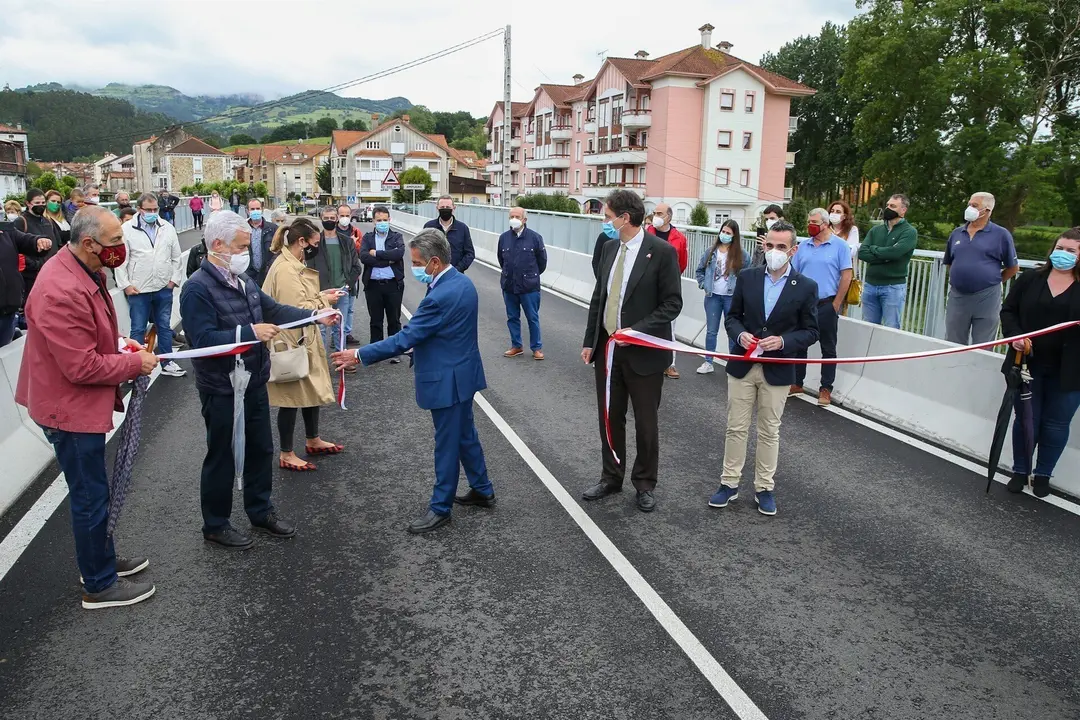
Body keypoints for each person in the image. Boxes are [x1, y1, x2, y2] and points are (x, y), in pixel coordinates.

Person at [15, 205, 158, 608]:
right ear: (90, 243)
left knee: (95, 492)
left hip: (71, 401)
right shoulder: (61, 288)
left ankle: (101, 560)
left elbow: (85, 341)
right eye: (115, 242)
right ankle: (98, 583)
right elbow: (80, 365)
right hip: (68, 409)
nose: (121, 248)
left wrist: (118, 347)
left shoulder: (81, 267)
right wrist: (134, 362)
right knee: (91, 496)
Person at [180, 210, 337, 549]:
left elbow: (275, 310)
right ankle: (216, 524)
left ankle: (260, 510)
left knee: (260, 448)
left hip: (253, 380)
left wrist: (314, 315)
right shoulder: (197, 289)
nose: (244, 253)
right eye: (239, 247)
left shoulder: (245, 281)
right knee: (222, 454)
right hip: (221, 387)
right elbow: (201, 340)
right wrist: (248, 332)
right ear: (217, 245)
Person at [331, 228, 495, 534]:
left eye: (418, 263)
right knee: (464, 435)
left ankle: (440, 508)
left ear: (434, 262)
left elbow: (407, 337)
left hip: (447, 380)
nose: (415, 268)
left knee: (447, 444)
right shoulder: (461, 282)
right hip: (464, 373)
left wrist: (359, 355)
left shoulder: (441, 295)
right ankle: (482, 489)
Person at [581, 190, 683, 513]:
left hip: (644, 354)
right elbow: (600, 296)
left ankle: (644, 483)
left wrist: (636, 331)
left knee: (645, 422)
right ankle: (611, 476)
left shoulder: (662, 252)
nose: (604, 222)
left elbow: (672, 304)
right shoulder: (609, 247)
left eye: (608, 216)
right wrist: (590, 340)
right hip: (609, 350)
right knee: (610, 418)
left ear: (625, 218)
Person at [709, 221, 819, 516]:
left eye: (781, 247)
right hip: (743, 364)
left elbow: (811, 331)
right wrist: (739, 334)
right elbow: (732, 317)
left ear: (793, 250)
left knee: (770, 430)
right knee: (736, 427)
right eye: (769, 246)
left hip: (778, 369)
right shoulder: (747, 277)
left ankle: (764, 488)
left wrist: (783, 341)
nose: (774, 252)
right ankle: (729, 484)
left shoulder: (807, 287)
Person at [999, 228, 1080, 499]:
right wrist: (1014, 338)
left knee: (1056, 424)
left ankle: (1044, 473)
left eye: (1071, 251)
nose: (1063, 254)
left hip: (1070, 371)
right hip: (1027, 365)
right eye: (1060, 248)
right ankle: (1020, 471)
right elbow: (1008, 310)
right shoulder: (1030, 279)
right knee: (1025, 419)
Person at [262, 218, 346, 471]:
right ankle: (287, 453)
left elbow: (304, 300)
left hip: (302, 337)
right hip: (290, 341)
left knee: (310, 392)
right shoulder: (286, 270)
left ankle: (313, 438)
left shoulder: (294, 262)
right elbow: (294, 310)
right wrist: (324, 310)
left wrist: (323, 297)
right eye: (315, 243)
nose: (316, 247)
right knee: (290, 397)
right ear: (302, 242)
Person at [116, 193, 186, 378]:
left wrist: (173, 280)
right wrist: (126, 285)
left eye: (156, 209)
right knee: (137, 328)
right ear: (139, 209)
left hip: (163, 287)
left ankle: (167, 362)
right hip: (139, 289)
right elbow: (122, 260)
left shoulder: (167, 228)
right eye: (149, 210)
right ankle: (137, 366)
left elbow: (175, 257)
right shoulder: (127, 229)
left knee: (164, 326)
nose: (153, 213)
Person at [789, 208, 853, 406]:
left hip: (827, 304)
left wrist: (836, 304)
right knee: (800, 345)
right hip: (804, 304)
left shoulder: (840, 246)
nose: (810, 225)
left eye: (814, 222)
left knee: (828, 348)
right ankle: (797, 382)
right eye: (809, 221)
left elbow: (846, 275)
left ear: (825, 224)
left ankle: (826, 388)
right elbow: (794, 273)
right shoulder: (803, 246)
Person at [944, 192, 1019, 345]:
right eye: (969, 204)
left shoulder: (1001, 234)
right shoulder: (957, 233)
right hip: (958, 296)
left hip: (987, 296)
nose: (969, 208)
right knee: (953, 342)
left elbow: (1013, 267)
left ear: (987, 210)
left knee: (983, 344)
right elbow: (950, 262)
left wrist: (994, 280)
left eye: (975, 205)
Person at [694, 219, 749, 374]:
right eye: (723, 231)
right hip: (713, 297)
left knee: (732, 331)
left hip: (731, 297)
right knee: (711, 330)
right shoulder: (711, 251)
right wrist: (704, 284)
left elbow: (748, 274)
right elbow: (700, 271)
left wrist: (741, 292)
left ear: (734, 236)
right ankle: (708, 361)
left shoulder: (741, 255)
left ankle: (733, 363)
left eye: (728, 233)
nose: (724, 235)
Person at [309, 205, 362, 353]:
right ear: (321, 219)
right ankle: (320, 362)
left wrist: (348, 285)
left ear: (337, 219)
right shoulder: (314, 242)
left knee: (340, 328)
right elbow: (309, 268)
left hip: (342, 291)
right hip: (322, 292)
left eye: (332, 218)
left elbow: (356, 267)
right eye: (326, 218)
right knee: (321, 329)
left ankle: (341, 358)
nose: (329, 221)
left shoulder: (347, 241)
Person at [859, 194, 917, 329]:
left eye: (893, 206)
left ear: (903, 210)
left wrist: (874, 249)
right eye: (887, 205)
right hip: (870, 285)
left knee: (891, 328)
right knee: (868, 327)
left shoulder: (909, 232)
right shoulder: (876, 230)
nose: (888, 208)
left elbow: (895, 253)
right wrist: (886, 255)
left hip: (893, 287)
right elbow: (862, 253)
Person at [498, 206, 547, 360]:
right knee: (512, 317)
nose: (514, 219)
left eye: (517, 216)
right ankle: (516, 345)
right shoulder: (504, 238)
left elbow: (542, 262)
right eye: (511, 216)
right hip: (509, 284)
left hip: (529, 287)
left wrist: (530, 276)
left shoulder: (535, 238)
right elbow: (501, 259)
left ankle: (536, 348)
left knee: (532, 317)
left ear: (524, 219)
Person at [647, 203, 689, 379]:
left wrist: (670, 279)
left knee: (669, 326)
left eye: (660, 213)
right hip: (647, 285)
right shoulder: (646, 233)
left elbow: (683, 263)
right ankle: (646, 360)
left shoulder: (679, 238)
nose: (656, 216)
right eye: (655, 213)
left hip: (668, 287)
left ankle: (669, 364)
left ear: (669, 217)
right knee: (645, 324)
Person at [360, 205, 405, 357]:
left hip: (393, 285)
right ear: (373, 221)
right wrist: (387, 260)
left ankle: (395, 352)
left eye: (385, 220)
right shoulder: (367, 238)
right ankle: (376, 352)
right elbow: (364, 256)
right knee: (375, 320)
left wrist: (377, 254)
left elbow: (398, 254)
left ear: (389, 220)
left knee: (394, 320)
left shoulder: (396, 237)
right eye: (379, 220)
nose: (382, 222)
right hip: (373, 286)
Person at [1, 222, 52, 347]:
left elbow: (26, 240)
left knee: (5, 353)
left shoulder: (6, 230)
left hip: (7, 309)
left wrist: (39, 241)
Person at [17, 188, 62, 303]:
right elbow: (17, 248)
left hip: (51, 272)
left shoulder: (48, 222)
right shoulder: (21, 221)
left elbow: (57, 245)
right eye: (37, 203)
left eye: (43, 203)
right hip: (31, 275)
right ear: (28, 203)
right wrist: (35, 264)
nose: (41, 206)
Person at [423, 195, 475, 273]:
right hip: (435, 275)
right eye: (442, 207)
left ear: (454, 208)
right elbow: (422, 251)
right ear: (437, 208)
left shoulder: (462, 228)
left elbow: (470, 253)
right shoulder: (429, 227)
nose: (445, 209)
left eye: (447, 207)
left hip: (456, 275)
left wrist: (457, 269)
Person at [245, 198, 278, 287]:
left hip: (267, 274)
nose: (255, 211)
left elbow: (278, 251)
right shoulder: (243, 229)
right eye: (252, 209)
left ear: (262, 210)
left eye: (258, 208)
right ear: (248, 211)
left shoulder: (273, 229)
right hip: (249, 274)